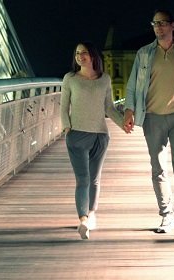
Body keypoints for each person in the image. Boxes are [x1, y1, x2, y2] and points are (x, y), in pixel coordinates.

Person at [123, 9, 174, 235]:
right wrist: (129, 110)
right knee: (158, 168)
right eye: (155, 23)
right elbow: (131, 86)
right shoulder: (144, 54)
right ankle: (166, 216)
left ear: (173, 26)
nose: (158, 27)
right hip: (152, 117)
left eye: (163, 23)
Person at [61, 41, 125, 239]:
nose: (80, 56)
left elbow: (109, 107)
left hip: (100, 135)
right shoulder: (70, 79)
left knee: (94, 179)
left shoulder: (104, 79)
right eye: (77, 53)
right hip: (77, 135)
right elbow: (63, 106)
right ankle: (83, 220)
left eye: (84, 53)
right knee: (83, 179)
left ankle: (91, 214)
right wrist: (67, 126)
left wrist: (124, 124)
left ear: (93, 56)